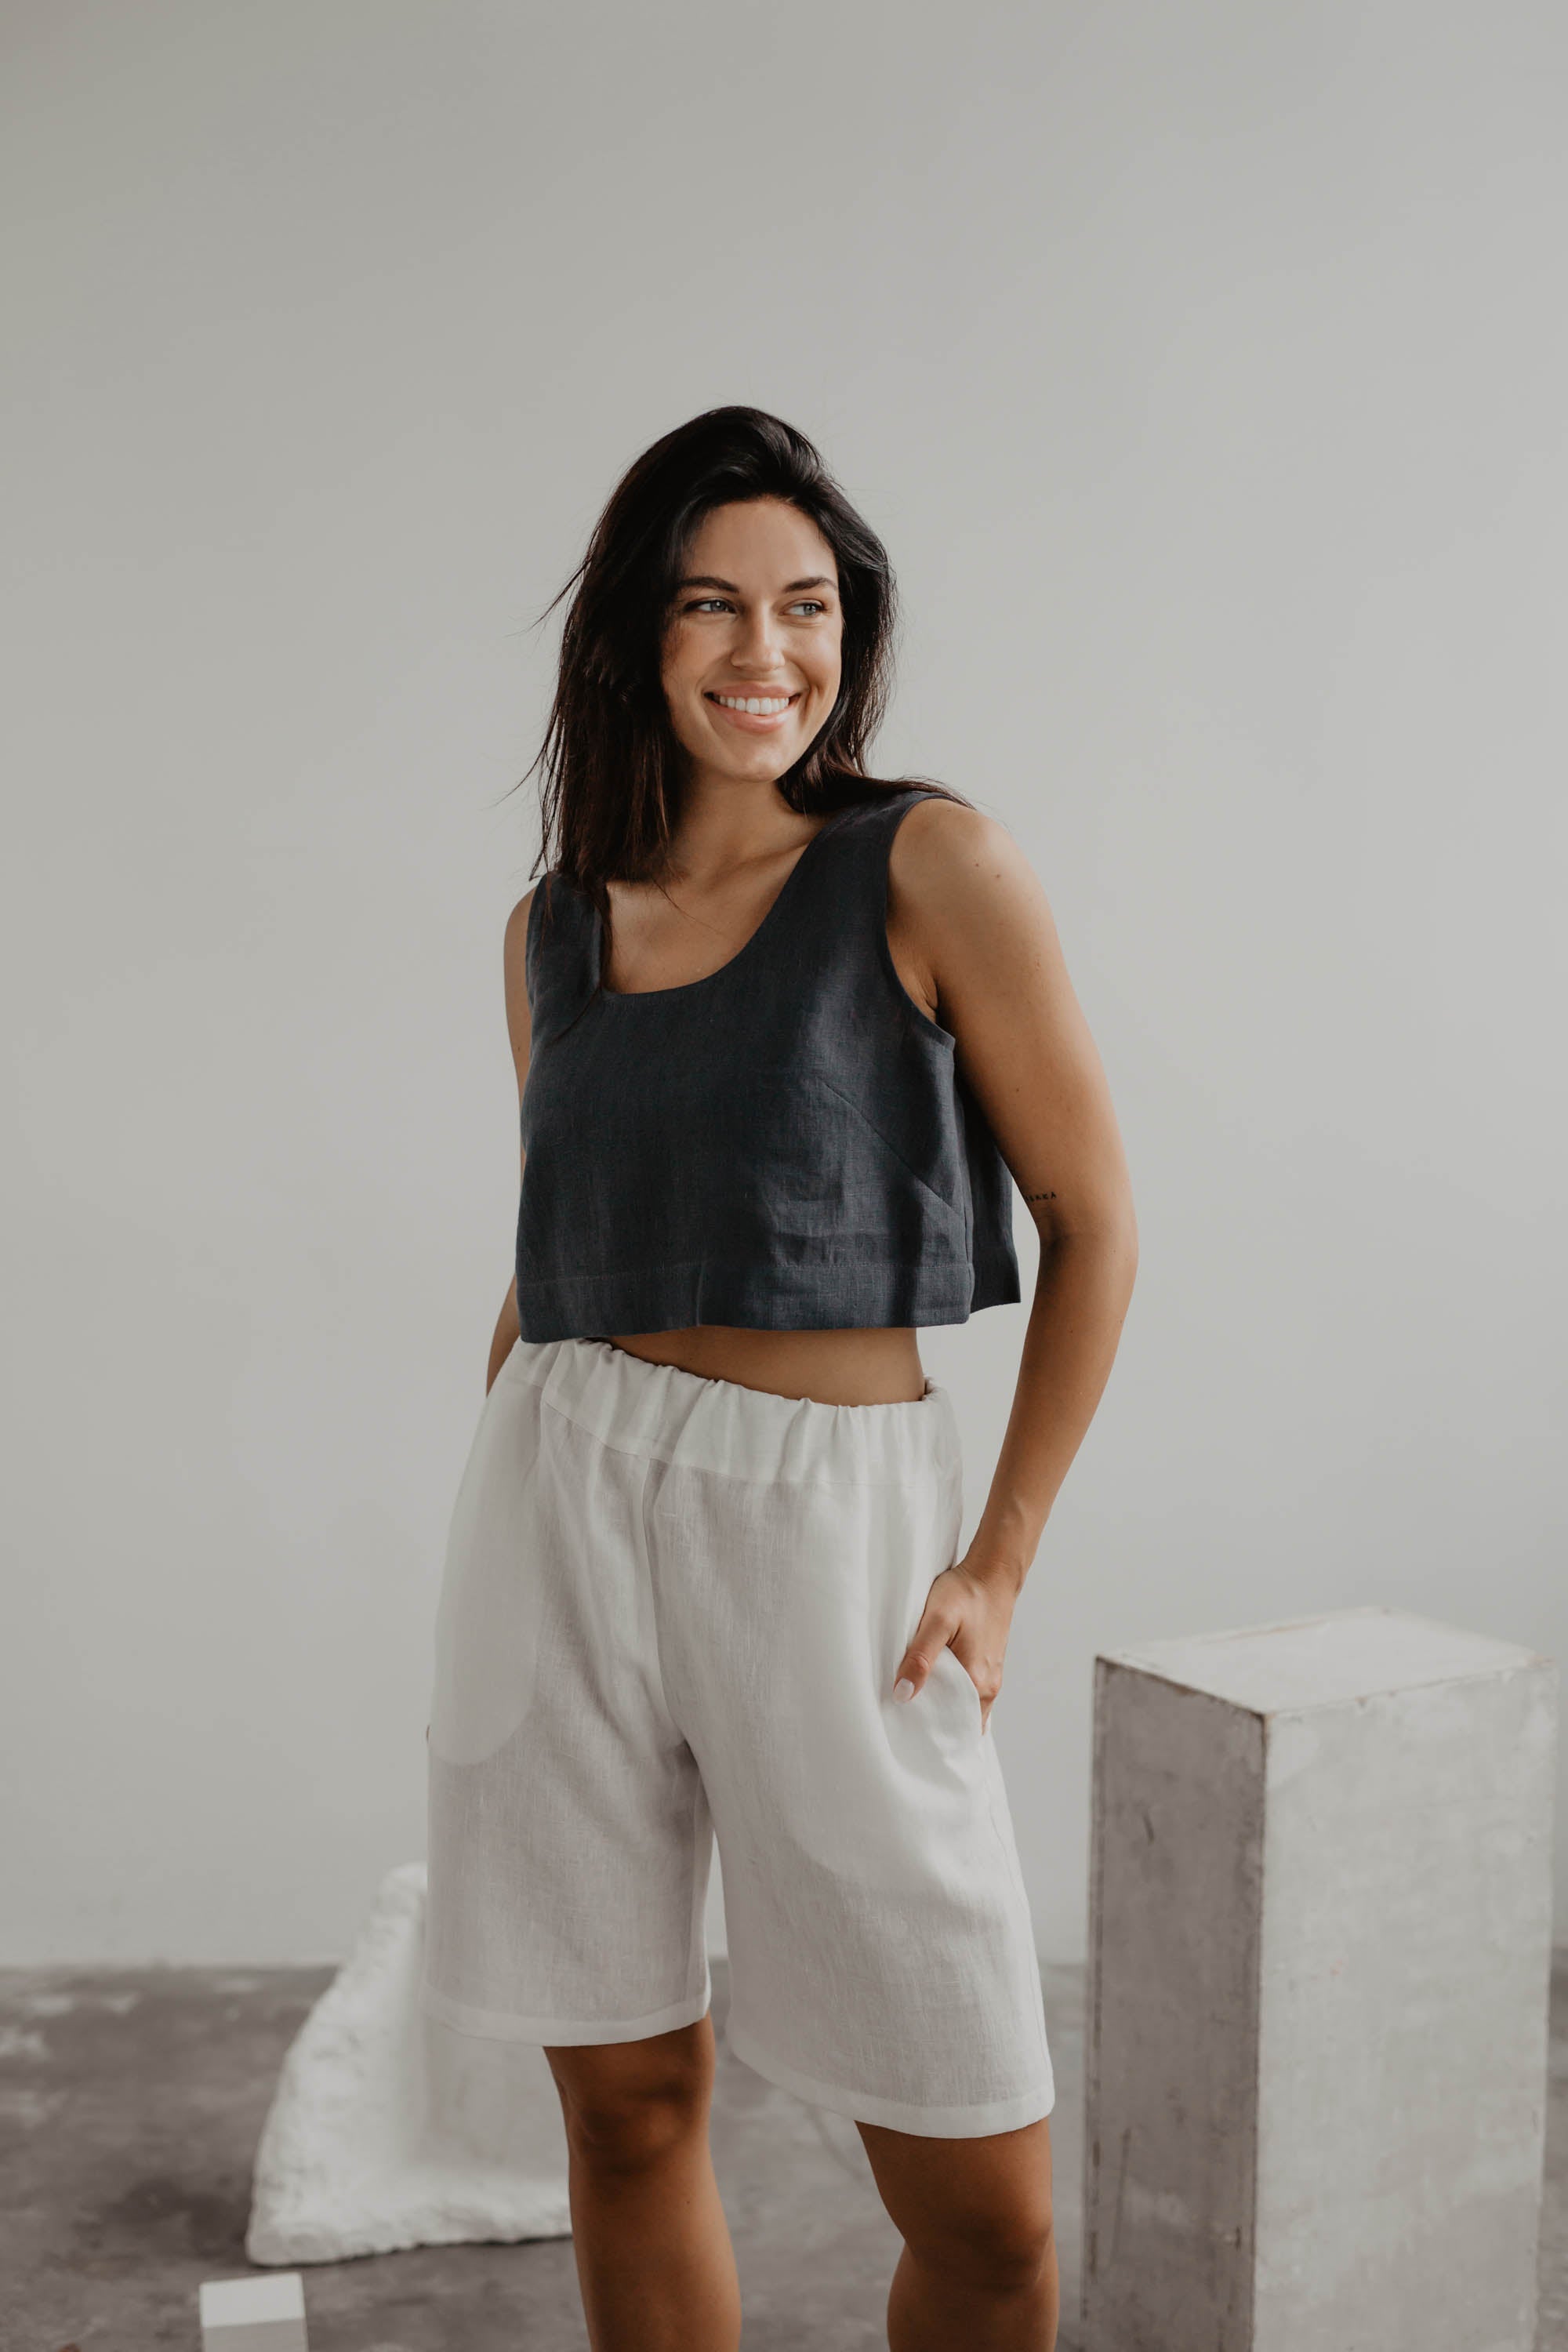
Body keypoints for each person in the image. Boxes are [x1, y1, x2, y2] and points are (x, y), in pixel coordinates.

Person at [420, 406, 1138, 2352]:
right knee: (630, 2100)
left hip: (837, 1530)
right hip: (561, 1491)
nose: (766, 653)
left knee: (982, 2191)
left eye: (806, 608)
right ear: (639, 642)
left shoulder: (927, 865)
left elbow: (1092, 1219)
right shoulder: (553, 934)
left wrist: (996, 1562)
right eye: (714, 606)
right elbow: (555, 1256)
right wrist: (502, 1502)